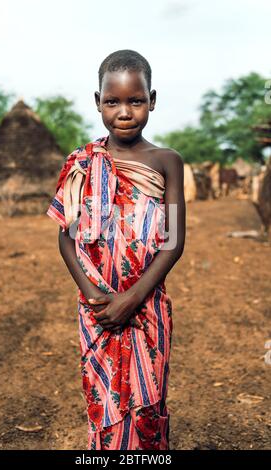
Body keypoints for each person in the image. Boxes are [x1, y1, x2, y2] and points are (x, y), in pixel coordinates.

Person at [46, 49, 186, 450]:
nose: (124, 112)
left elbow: (174, 241)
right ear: (98, 102)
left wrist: (133, 298)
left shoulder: (166, 161)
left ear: (152, 100)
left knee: (149, 401)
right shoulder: (83, 163)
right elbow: (66, 236)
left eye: (135, 100)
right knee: (103, 399)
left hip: (147, 303)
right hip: (97, 308)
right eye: (113, 101)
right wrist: (95, 297)